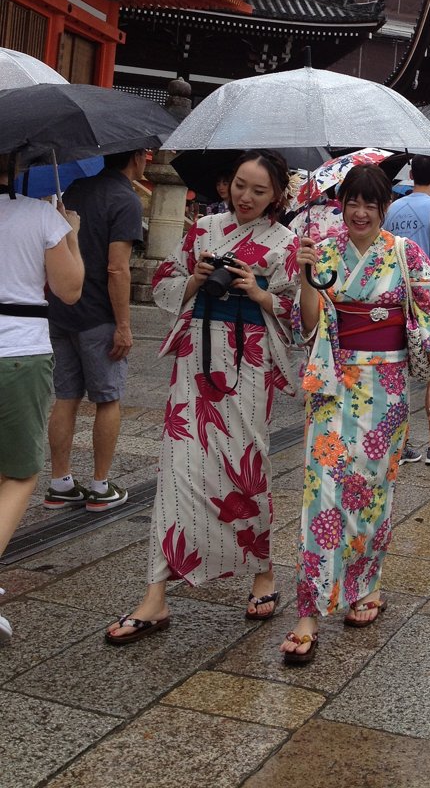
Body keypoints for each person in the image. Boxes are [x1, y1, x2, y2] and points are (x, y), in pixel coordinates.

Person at [105, 150, 300, 645]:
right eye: (240, 185)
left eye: (259, 190)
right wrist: (194, 277)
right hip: (195, 355)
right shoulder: (205, 229)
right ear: (226, 184)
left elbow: (301, 314)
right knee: (177, 467)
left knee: (246, 463)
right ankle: (155, 594)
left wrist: (259, 292)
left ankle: (263, 574)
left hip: (249, 360)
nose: (247, 197)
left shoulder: (289, 244)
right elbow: (167, 281)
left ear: (277, 195)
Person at [282, 165, 430, 665]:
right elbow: (307, 325)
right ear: (341, 204)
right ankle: (309, 611)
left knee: (372, 491)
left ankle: (365, 586)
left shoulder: (405, 254)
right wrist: (307, 278)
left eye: (370, 206)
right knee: (322, 490)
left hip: (387, 386)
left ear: (383, 211)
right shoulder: (324, 250)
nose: (359, 212)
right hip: (334, 381)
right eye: (351, 202)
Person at [0, 171, 83, 641]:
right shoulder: (38, 216)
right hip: (18, 354)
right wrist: (67, 230)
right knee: (21, 472)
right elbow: (70, 289)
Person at [44, 149, 148, 512]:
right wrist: (123, 325)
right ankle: (100, 485)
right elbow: (117, 269)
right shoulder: (125, 200)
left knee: (66, 397)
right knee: (107, 399)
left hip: (61, 308)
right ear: (136, 157)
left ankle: (60, 483)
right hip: (98, 314)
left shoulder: (73, 189)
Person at [384, 155, 430, 466]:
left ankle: (401, 443)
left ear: (411, 174)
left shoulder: (392, 208)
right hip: (426, 297)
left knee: (397, 366)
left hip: (394, 292)